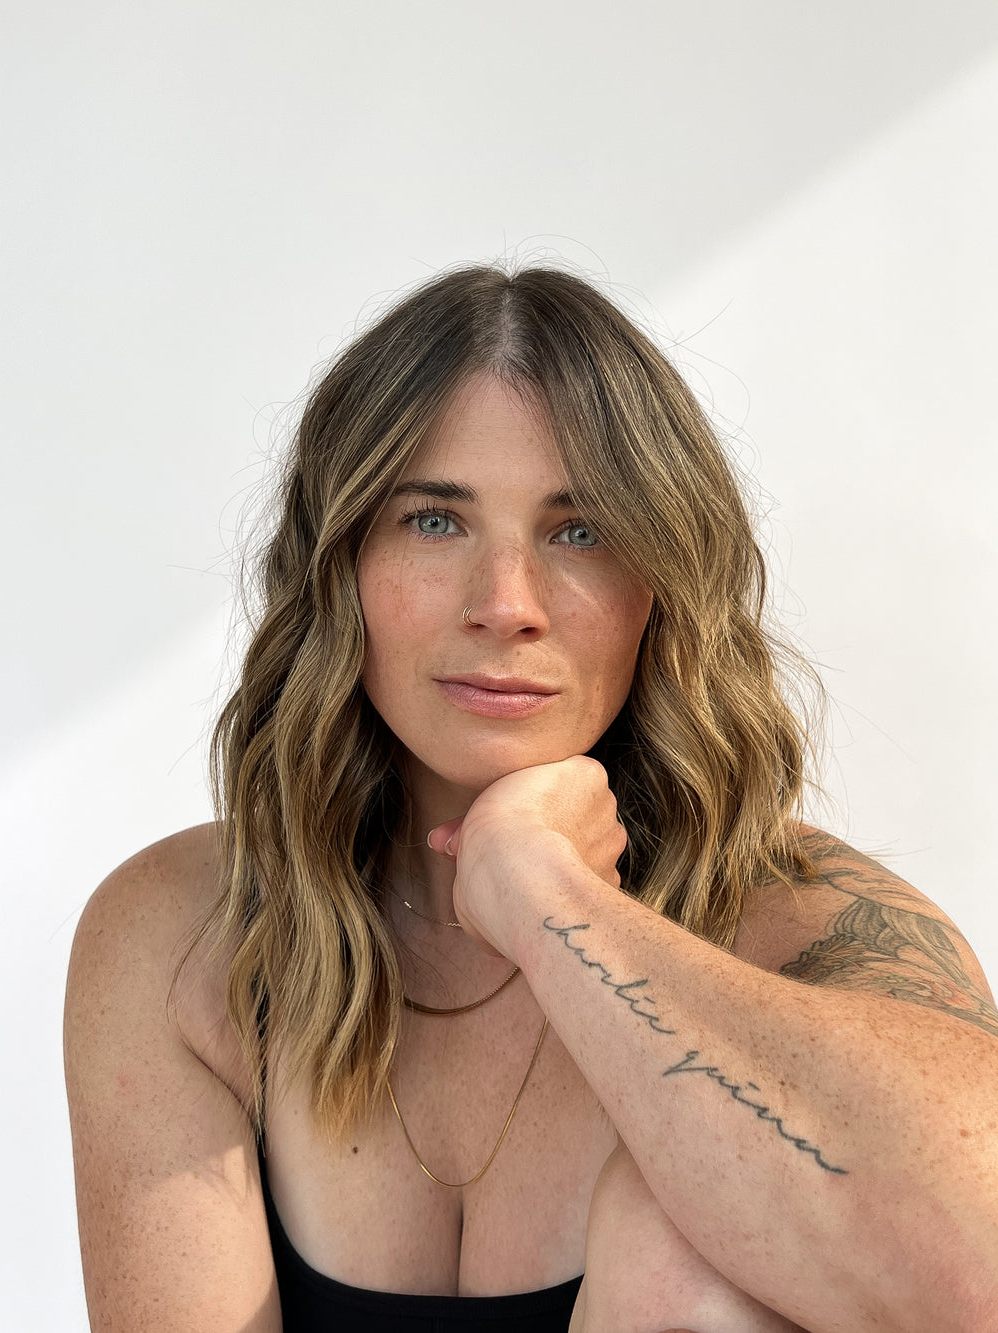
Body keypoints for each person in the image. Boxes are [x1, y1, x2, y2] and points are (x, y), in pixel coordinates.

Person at [64, 264, 998, 1333]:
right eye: (433, 520)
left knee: (684, 1235)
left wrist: (545, 895)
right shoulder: (189, 939)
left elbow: (977, 1278)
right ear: (339, 569)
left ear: (662, 585)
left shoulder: (807, 925)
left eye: (580, 529)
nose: (506, 605)